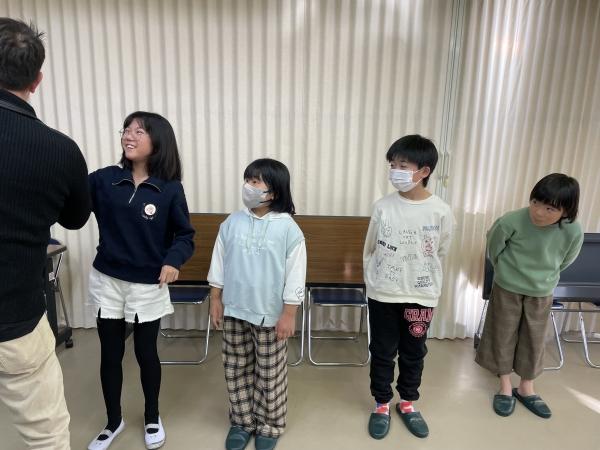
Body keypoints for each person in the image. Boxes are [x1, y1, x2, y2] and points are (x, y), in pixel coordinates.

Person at [0, 17, 91, 450]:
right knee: (46, 435)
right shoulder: (60, 150)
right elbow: (75, 218)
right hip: (14, 319)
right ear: (37, 80)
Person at [87, 111, 194, 450]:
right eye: (126, 129)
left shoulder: (169, 189)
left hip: (147, 284)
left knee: (146, 352)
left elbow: (185, 235)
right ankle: (113, 421)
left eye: (139, 131)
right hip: (107, 279)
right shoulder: (104, 179)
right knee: (110, 353)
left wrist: (173, 260)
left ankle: (151, 416)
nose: (128, 136)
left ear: (157, 142)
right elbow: (70, 203)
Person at [208, 158, 306, 450]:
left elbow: (296, 274)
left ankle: (270, 425)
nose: (248, 187)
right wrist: (215, 299)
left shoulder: (288, 229)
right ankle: (242, 422)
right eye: (247, 180)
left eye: (255, 182)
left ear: (273, 191)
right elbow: (218, 263)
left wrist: (289, 314)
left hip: (270, 315)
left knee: (270, 373)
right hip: (234, 309)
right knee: (235, 367)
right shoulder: (232, 222)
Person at [363, 135, 454, 440]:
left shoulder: (441, 211)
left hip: (421, 295)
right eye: (393, 164)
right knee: (382, 351)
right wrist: (375, 281)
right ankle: (381, 404)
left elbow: (441, 250)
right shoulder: (383, 206)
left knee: (414, 352)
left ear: (424, 171)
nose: (395, 171)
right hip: (383, 293)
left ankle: (407, 402)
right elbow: (371, 247)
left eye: (403, 165)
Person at [475, 173, 583, 419]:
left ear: (566, 211)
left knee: (534, 338)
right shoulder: (511, 220)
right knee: (502, 333)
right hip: (507, 286)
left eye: (550, 208)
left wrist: (545, 276)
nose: (539, 212)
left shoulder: (573, 230)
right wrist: (505, 271)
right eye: (535, 202)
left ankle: (526, 387)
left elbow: (566, 260)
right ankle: (504, 386)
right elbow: (494, 248)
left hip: (541, 290)